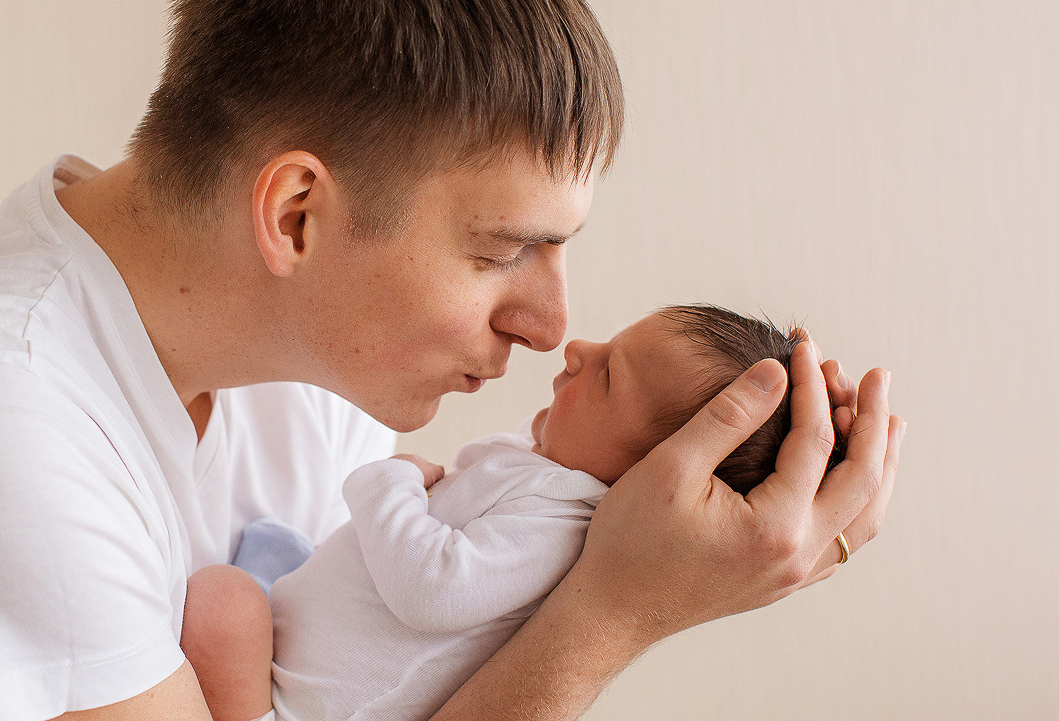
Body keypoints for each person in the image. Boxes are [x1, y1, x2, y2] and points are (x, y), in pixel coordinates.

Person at [0, 0, 902, 720]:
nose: (552, 326)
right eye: (501, 252)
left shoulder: (312, 372)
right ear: (297, 216)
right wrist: (612, 615)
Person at [178, 305, 851, 721]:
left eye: (608, 376)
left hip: (306, 705)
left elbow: (433, 588)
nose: (577, 349)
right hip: (311, 635)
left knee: (222, 604)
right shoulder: (548, 471)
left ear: (652, 477)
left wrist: (389, 483)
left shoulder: (561, 524)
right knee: (267, 550)